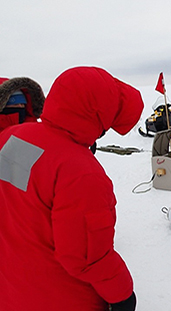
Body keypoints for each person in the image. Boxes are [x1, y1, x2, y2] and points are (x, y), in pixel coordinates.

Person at [0, 66, 144, 311]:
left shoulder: (11, 136)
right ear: (101, 114)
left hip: (11, 289)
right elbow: (86, 257)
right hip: (59, 298)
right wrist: (122, 296)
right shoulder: (82, 172)